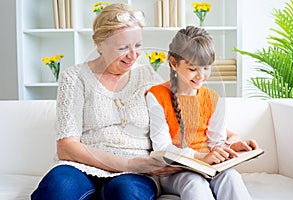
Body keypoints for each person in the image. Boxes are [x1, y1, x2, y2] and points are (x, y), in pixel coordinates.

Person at [31, 3, 182, 200]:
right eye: (123, 48)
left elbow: (179, 117)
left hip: (134, 174)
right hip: (80, 167)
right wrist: (128, 164)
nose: (133, 55)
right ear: (100, 45)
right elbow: (67, 147)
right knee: (58, 189)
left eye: (137, 45)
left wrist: (223, 138)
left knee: (127, 193)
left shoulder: (147, 77)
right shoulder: (75, 77)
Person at [146, 26, 258, 200]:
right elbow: (162, 148)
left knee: (232, 177)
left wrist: (229, 149)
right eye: (193, 69)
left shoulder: (214, 98)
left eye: (206, 68)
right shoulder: (157, 95)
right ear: (173, 63)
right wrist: (200, 157)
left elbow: (216, 142)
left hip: (209, 166)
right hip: (175, 171)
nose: (201, 76)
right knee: (194, 183)